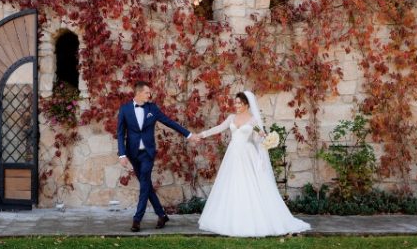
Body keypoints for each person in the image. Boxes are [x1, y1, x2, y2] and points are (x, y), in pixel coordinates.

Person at [196, 91, 310, 237]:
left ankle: (251, 220)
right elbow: (218, 128)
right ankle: (230, 219)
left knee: (247, 184)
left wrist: (263, 137)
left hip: (247, 154)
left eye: (239, 103)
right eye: (235, 102)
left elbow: (256, 139)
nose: (236, 105)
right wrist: (202, 134)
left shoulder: (253, 120)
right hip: (232, 155)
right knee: (232, 184)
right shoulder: (232, 117)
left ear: (246, 105)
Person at [117, 80, 201, 232]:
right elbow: (121, 133)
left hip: (148, 154)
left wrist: (189, 135)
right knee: (147, 184)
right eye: (147, 92)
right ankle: (162, 215)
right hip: (133, 153)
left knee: (144, 184)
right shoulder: (125, 110)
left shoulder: (152, 108)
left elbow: (169, 122)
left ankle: (137, 219)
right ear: (138, 93)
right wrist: (122, 154)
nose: (150, 94)